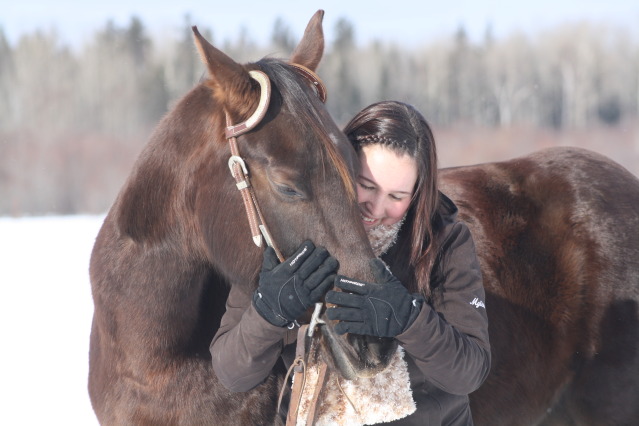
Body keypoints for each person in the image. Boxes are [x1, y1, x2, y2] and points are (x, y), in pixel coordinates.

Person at [210, 101, 490, 425]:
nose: (376, 208)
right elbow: (232, 374)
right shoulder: (284, 235)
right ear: (340, 166)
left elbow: (469, 372)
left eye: (397, 196)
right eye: (366, 186)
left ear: (417, 195)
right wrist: (268, 312)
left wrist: (409, 320)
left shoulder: (444, 243)